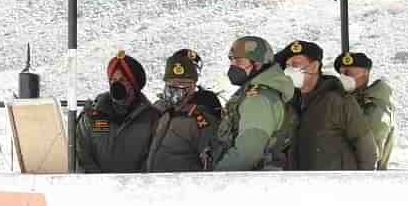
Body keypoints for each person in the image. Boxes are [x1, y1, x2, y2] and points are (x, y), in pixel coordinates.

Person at [277, 40, 378, 170]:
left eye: (295, 64)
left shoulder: (339, 101)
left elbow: (365, 146)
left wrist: (363, 181)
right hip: (301, 184)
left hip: (336, 185)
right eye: (288, 65)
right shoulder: (290, 102)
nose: (289, 70)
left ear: (313, 67)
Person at [212, 36, 295, 171]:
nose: (232, 66)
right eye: (231, 60)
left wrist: (213, 180)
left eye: (238, 61)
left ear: (258, 64)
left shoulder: (258, 100)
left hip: (250, 183)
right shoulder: (261, 93)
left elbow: (248, 152)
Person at [75, 50, 160, 173]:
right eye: (113, 80)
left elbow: (153, 160)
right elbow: (81, 155)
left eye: (123, 80)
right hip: (96, 188)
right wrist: (99, 183)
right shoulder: (91, 116)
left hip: (137, 189)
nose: (116, 85)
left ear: (134, 85)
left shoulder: (152, 119)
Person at [146, 49, 220, 172]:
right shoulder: (158, 109)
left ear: (193, 86)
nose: (176, 90)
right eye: (171, 83)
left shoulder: (202, 118)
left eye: (183, 84)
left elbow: (211, 163)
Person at [334, 51, 395, 170]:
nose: (343, 77)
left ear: (365, 72)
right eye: (341, 73)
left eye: (348, 72)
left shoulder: (375, 106)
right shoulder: (347, 100)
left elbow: (370, 150)